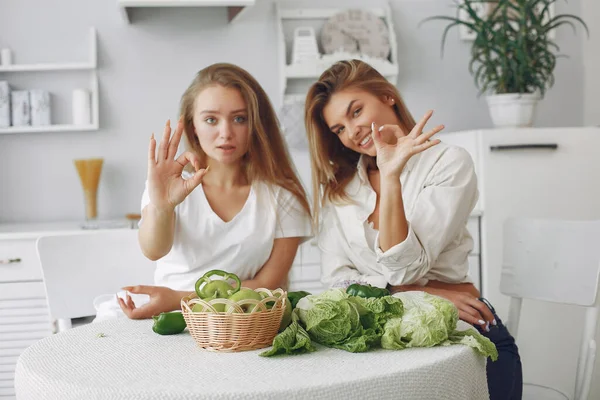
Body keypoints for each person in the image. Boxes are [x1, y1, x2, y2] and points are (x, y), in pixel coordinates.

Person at [304, 59, 522, 400]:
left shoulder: (448, 162)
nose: (352, 131)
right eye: (339, 129)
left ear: (387, 96)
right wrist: (420, 293)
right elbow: (335, 280)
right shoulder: (340, 190)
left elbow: (406, 267)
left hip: (460, 328)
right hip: (384, 339)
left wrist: (390, 177)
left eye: (356, 111)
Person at [110, 63, 312, 320]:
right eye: (211, 120)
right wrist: (162, 206)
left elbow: (268, 286)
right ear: (193, 125)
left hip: (241, 325)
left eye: (239, 119)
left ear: (256, 125)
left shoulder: (283, 200)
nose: (226, 133)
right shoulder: (171, 187)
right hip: (167, 320)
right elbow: (153, 251)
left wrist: (177, 299)